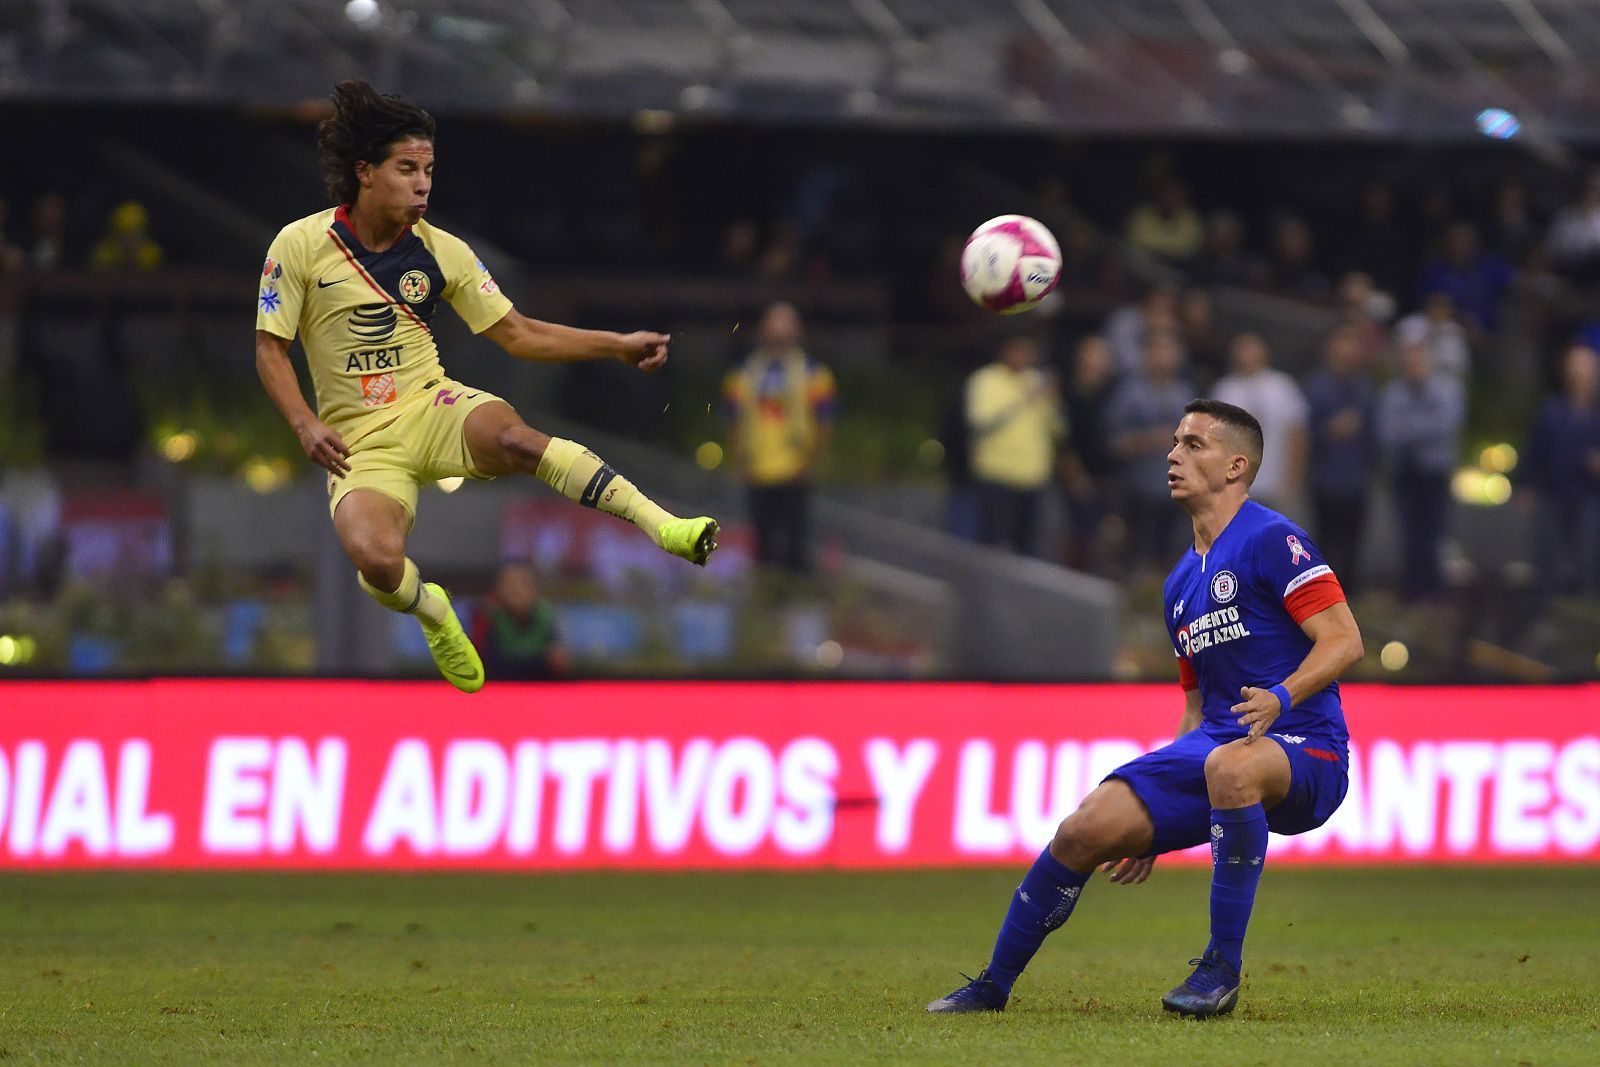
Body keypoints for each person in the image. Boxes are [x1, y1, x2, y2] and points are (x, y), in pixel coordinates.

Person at [254, 80, 718, 693]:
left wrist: (616, 344)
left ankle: (665, 527)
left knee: (518, 441)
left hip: (431, 404)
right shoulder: (301, 245)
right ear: (365, 172)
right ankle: (435, 614)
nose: (422, 183)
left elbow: (520, 335)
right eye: (406, 169)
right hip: (357, 442)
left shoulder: (443, 252)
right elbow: (270, 349)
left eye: (428, 170)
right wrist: (304, 422)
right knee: (377, 558)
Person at [927, 399, 1363, 1019]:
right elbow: (1195, 710)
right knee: (1085, 829)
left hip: (1307, 747)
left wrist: (1282, 696)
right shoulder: (1179, 583)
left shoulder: (1274, 538)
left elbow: (1345, 640)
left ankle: (1219, 970)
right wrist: (1158, 820)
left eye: (1193, 444)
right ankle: (992, 986)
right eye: (1174, 443)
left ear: (1237, 466)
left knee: (1230, 769)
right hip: (1219, 746)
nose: (1173, 454)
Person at [722, 301, 836, 571]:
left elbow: (824, 422)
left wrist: (811, 462)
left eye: (786, 323)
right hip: (757, 470)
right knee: (761, 546)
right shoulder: (744, 374)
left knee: (796, 545)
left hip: (795, 470)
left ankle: (792, 599)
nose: (780, 331)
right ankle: (766, 597)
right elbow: (733, 420)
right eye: (775, 323)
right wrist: (740, 459)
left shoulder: (813, 374)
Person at [1377, 341, 1465, 602]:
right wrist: (1422, 428)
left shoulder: (1448, 390)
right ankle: (1410, 591)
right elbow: (1387, 432)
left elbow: (1446, 426)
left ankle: (1433, 592)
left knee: (1433, 533)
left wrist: (1410, 428)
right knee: (1408, 533)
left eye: (1419, 361)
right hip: (1405, 472)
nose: (1414, 367)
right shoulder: (1393, 392)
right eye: (1409, 362)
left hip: (1435, 473)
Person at [965, 334, 1063, 555]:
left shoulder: (1036, 380)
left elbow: (1057, 429)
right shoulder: (986, 380)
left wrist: (1053, 399)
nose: (1024, 356)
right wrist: (1023, 399)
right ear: (1005, 351)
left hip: (1033, 477)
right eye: (1018, 350)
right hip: (997, 475)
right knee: (991, 542)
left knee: (1027, 545)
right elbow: (981, 423)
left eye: (1028, 351)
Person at [1106, 330, 1193, 573]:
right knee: (1135, 555)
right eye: (1158, 350)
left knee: (1169, 557)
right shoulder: (1130, 392)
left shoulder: (1184, 392)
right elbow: (1114, 442)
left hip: (1176, 491)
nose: (1164, 357)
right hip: (1138, 488)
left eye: (1169, 350)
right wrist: (1151, 440)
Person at [1302, 326, 1379, 594]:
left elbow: (1374, 435)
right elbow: (1305, 434)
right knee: (1323, 543)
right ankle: (1321, 599)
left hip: (1357, 480)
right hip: (1324, 479)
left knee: (1352, 546)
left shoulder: (1365, 388)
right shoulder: (1316, 387)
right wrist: (1329, 430)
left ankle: (1350, 599)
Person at [1523, 343, 1600, 597]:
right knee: (1546, 558)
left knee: (1588, 559)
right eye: (1574, 366)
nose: (1580, 372)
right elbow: (1535, 451)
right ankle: (1542, 618)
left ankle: (1584, 616)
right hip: (1553, 494)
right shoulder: (1551, 410)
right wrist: (1527, 486)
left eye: (1586, 366)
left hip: (1590, 496)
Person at [1211, 332, 1309, 515]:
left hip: (1276, 486)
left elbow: (1297, 436)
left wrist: (1293, 482)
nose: (1247, 354)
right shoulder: (1224, 389)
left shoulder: (1282, 386)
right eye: (1242, 348)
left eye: (1252, 347)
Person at [473, 563, 570, 680]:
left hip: (539, 688)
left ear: (535, 589)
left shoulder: (546, 617)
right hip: (498, 687)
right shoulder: (486, 617)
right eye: (509, 584)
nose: (515, 590)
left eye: (522, 583)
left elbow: (560, 663)